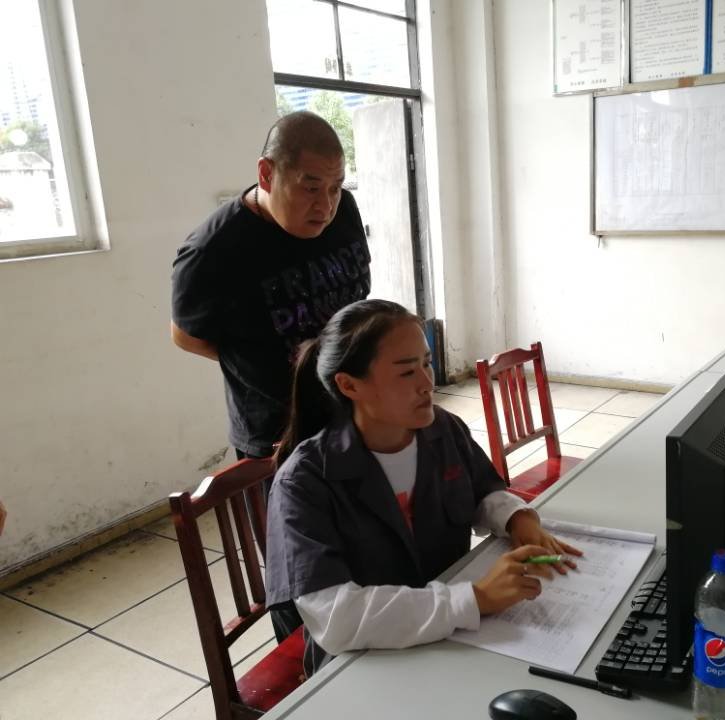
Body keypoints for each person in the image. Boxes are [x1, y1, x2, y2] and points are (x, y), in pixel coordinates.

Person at [266, 299, 582, 675]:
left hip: (452, 639)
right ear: (349, 385)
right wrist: (474, 599)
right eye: (406, 372)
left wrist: (517, 519)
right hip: (366, 664)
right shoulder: (303, 483)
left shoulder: (441, 429)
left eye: (427, 364)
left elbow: (482, 489)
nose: (427, 383)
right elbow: (336, 617)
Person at [171, 111, 370, 642]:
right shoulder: (213, 252)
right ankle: (310, 675)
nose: (325, 205)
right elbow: (186, 335)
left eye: (335, 187)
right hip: (277, 434)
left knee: (365, 550)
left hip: (350, 412)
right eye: (310, 187)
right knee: (301, 575)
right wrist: (260, 363)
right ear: (266, 173)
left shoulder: (343, 214)